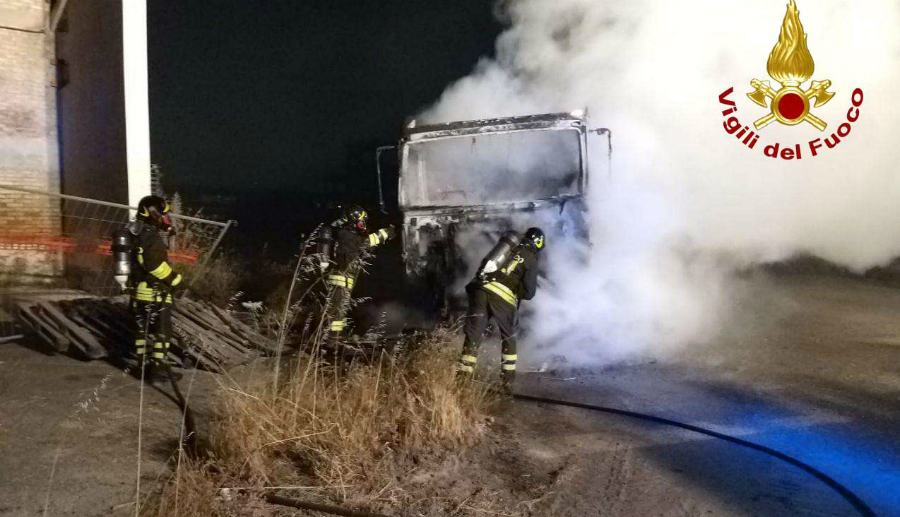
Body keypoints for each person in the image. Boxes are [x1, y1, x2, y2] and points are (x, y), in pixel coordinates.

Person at [457, 227, 544, 392]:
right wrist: (516, 288)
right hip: (502, 298)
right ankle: (507, 383)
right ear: (538, 244)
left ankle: (462, 380)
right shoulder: (531, 258)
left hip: (480, 290)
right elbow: (529, 293)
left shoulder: (509, 246)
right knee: (509, 337)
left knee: (474, 335)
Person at [126, 195, 185, 382]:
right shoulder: (150, 235)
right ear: (153, 213)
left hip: (138, 290)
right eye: (163, 215)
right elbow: (153, 265)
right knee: (163, 331)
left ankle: (142, 366)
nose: (165, 220)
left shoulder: (135, 232)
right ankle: (157, 369)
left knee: (141, 330)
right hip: (156, 291)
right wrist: (175, 279)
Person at [317, 205, 395, 340]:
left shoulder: (346, 234)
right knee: (337, 310)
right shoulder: (347, 235)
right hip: (341, 279)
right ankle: (332, 339)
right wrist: (385, 233)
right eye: (361, 221)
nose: (363, 224)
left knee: (341, 309)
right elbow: (365, 243)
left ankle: (337, 337)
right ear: (353, 220)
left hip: (344, 279)